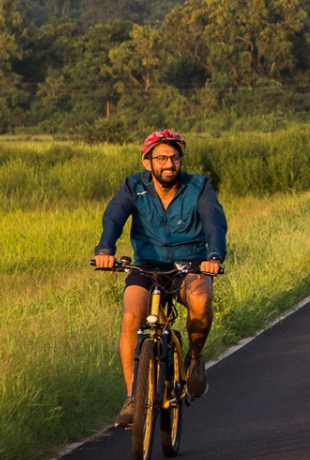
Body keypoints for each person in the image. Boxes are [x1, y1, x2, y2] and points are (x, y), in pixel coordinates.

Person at [93, 129, 226, 428]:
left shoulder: (198, 186)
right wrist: (105, 250)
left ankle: (194, 357)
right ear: (147, 161)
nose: (169, 164)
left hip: (190, 263)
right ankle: (131, 398)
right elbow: (114, 217)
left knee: (201, 301)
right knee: (131, 317)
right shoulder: (133, 186)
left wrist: (214, 257)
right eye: (162, 158)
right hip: (146, 265)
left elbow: (214, 222)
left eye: (175, 157)